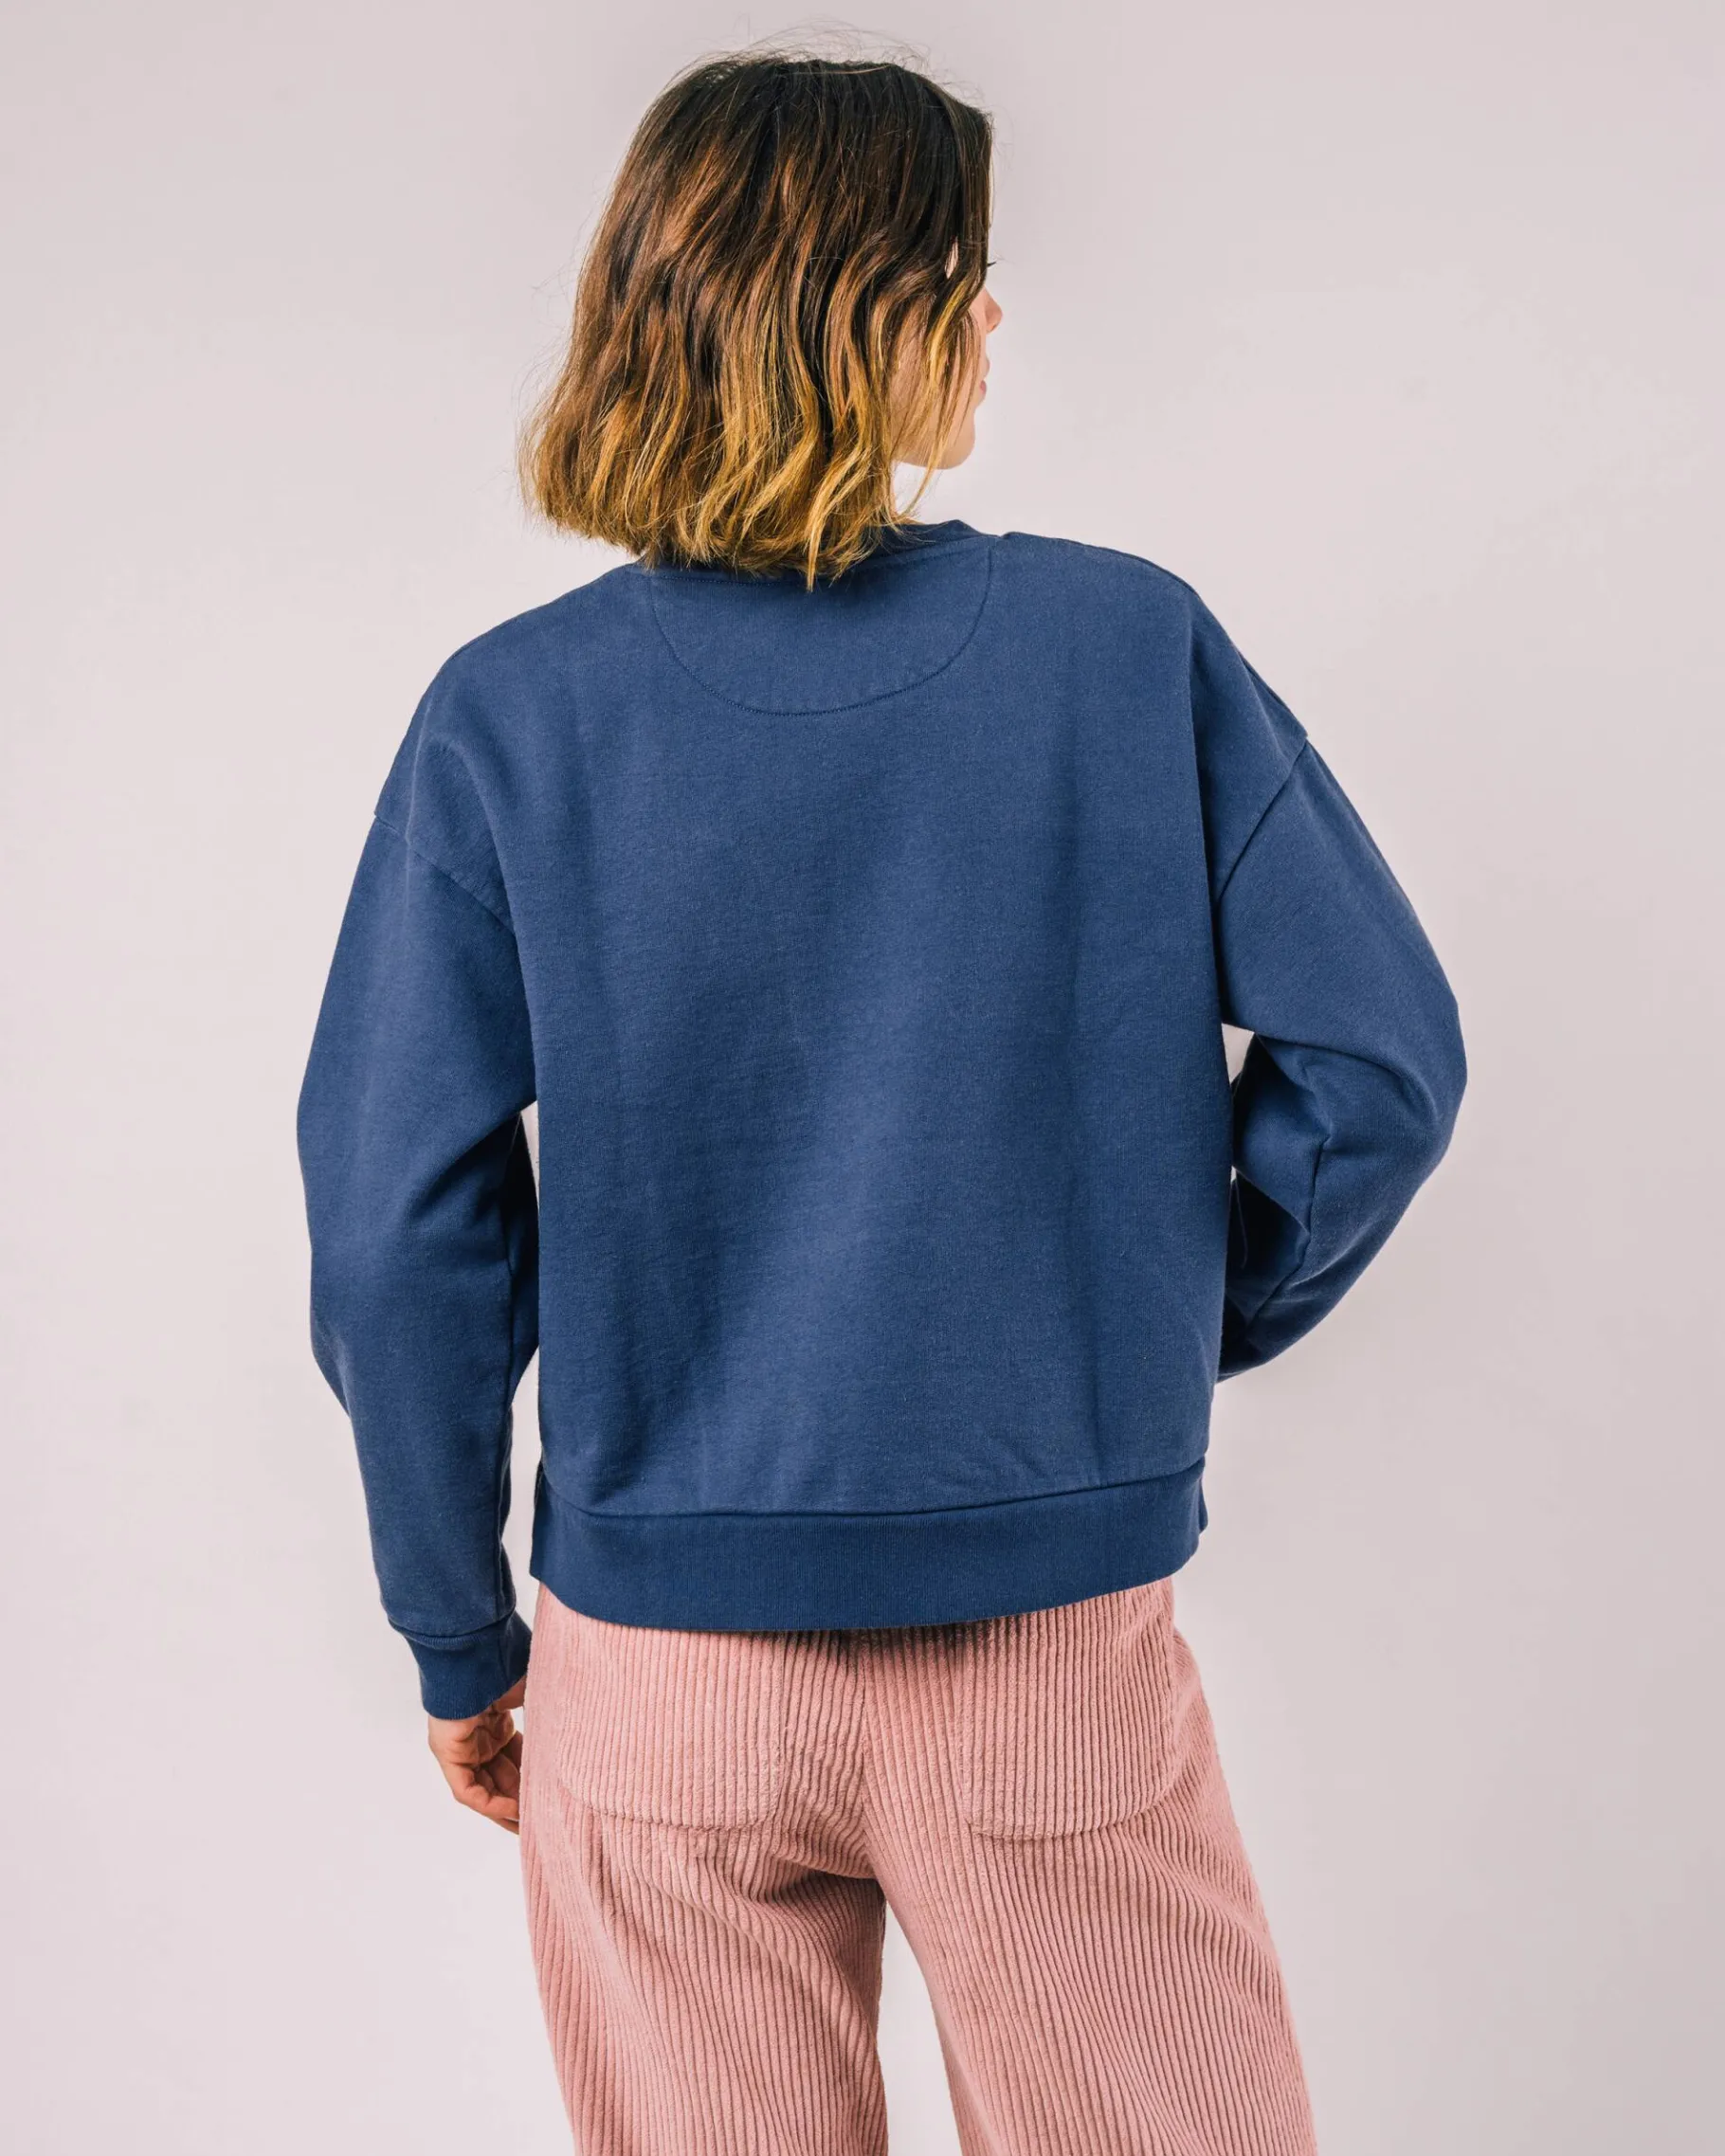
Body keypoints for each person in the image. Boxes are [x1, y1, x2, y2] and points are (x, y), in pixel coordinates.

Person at [297, 45, 1465, 2156]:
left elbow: (398, 1231)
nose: (995, 317)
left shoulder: (511, 717)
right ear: (861, 317)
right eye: (960, 273)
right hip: (1038, 1655)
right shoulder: (1124, 649)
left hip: (656, 1668)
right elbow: (1379, 1066)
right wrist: (1161, 1311)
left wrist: (457, 1634)